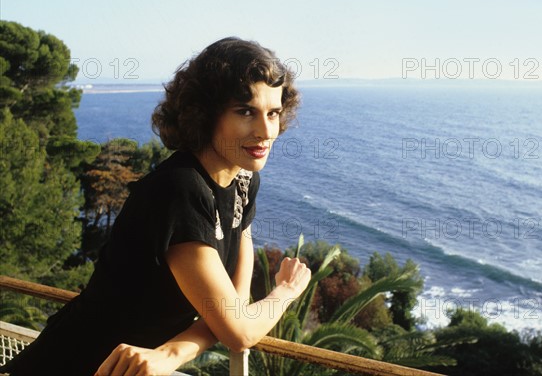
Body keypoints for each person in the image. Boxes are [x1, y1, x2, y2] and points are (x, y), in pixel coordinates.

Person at [0, 37, 311, 376]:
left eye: (274, 113)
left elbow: (234, 310)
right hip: (72, 362)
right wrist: (287, 289)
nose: (266, 131)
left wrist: (173, 353)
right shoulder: (179, 189)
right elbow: (239, 332)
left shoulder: (243, 181)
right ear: (206, 113)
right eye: (245, 111)